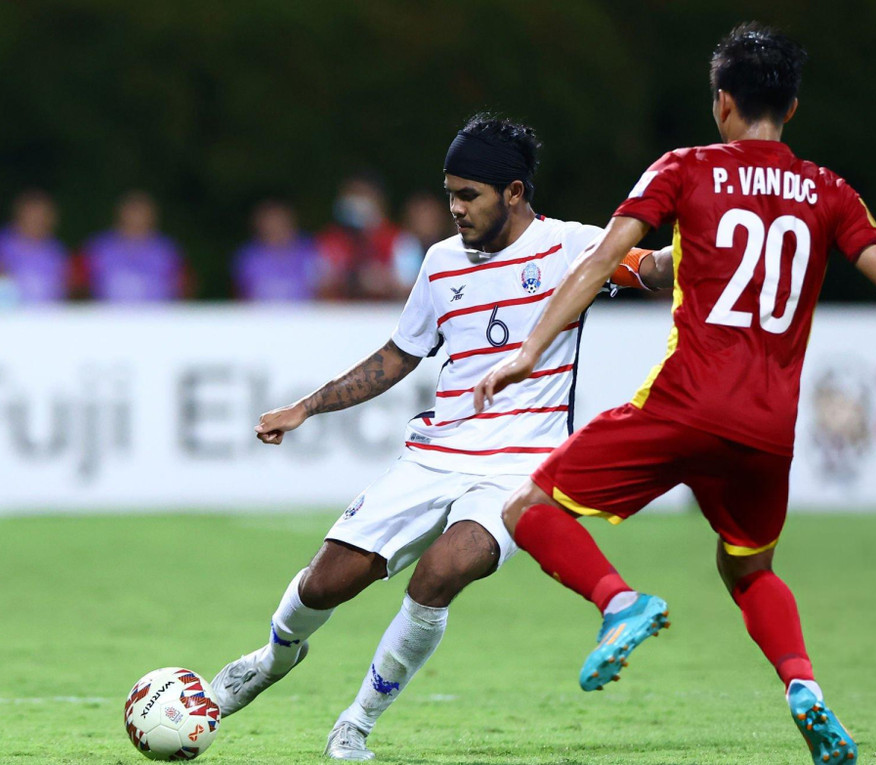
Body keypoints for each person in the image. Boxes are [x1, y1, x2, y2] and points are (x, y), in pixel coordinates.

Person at [474, 23, 876, 765]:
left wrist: (528, 353)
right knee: (748, 568)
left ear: (723, 100)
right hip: (768, 430)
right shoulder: (829, 191)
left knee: (527, 507)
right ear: (793, 107)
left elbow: (597, 262)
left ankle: (621, 602)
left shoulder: (685, 168)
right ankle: (803, 686)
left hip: (684, 405)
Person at [208, 114, 673, 761]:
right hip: (434, 456)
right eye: (450, 193)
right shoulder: (441, 262)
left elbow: (652, 270)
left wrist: (705, 250)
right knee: (324, 584)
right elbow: (399, 355)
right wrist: (306, 407)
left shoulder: (573, 247)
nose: (455, 208)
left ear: (514, 192)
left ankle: (356, 724)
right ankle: (272, 658)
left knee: (440, 574)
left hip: (518, 468)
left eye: (468, 195)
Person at [316, 174, 424, 301]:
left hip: (385, 311)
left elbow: (413, 287)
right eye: (349, 195)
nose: (353, 202)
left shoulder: (401, 240)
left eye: (360, 194)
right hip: (339, 312)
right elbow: (314, 283)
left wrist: (384, 280)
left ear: (378, 199)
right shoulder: (330, 240)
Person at [78, 191, 189, 302]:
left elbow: (182, 288)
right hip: (106, 311)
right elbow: (80, 287)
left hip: (156, 312)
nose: (136, 217)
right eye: (132, 210)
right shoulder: (98, 248)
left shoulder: (167, 250)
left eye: (141, 212)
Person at [0, 190, 69, 305]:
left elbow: (66, 289)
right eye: (33, 215)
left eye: (42, 216)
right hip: (8, 313)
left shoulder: (56, 250)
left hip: (49, 313)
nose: (37, 220)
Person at [233, 201, 322, 302]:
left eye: (280, 222)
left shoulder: (312, 250)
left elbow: (325, 291)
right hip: (262, 311)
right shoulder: (248, 258)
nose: (275, 227)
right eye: (270, 223)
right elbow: (242, 296)